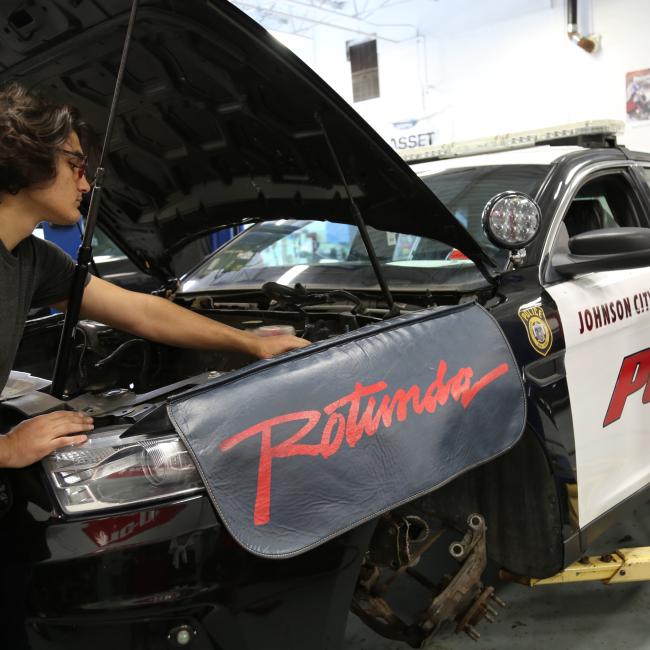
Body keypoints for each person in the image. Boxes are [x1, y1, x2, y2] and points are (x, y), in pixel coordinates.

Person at [0, 83, 309, 469]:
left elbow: (141, 312)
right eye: (75, 166)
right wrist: (8, 449)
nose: (85, 183)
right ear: (27, 159)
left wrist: (250, 343)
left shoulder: (34, 258)